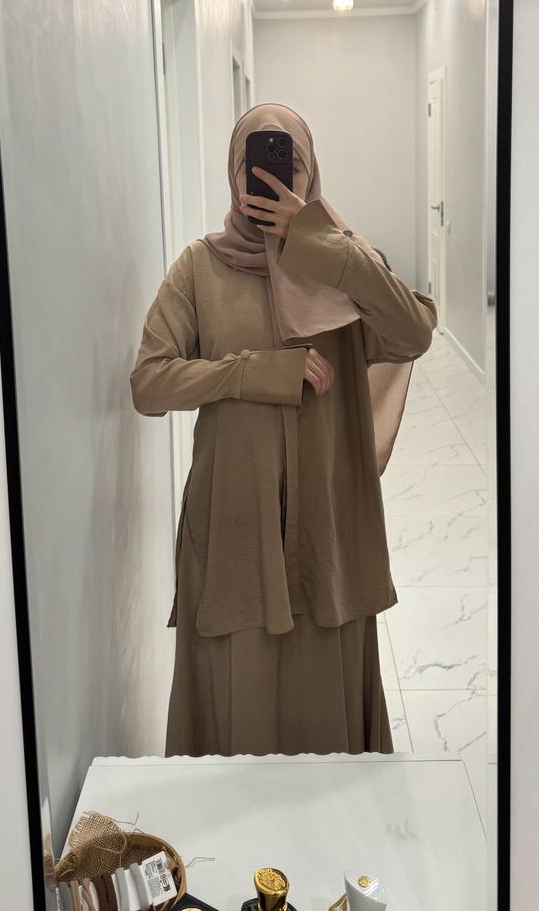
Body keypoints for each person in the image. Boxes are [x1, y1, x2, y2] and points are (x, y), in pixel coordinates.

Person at [129, 103, 437, 756]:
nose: (273, 179)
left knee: (323, 708)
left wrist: (322, 243)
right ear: (234, 172)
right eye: (258, 163)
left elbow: (413, 333)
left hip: (327, 515)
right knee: (238, 701)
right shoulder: (199, 268)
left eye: (290, 164)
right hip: (236, 517)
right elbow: (149, 384)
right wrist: (255, 372)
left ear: (311, 172)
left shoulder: (346, 263)